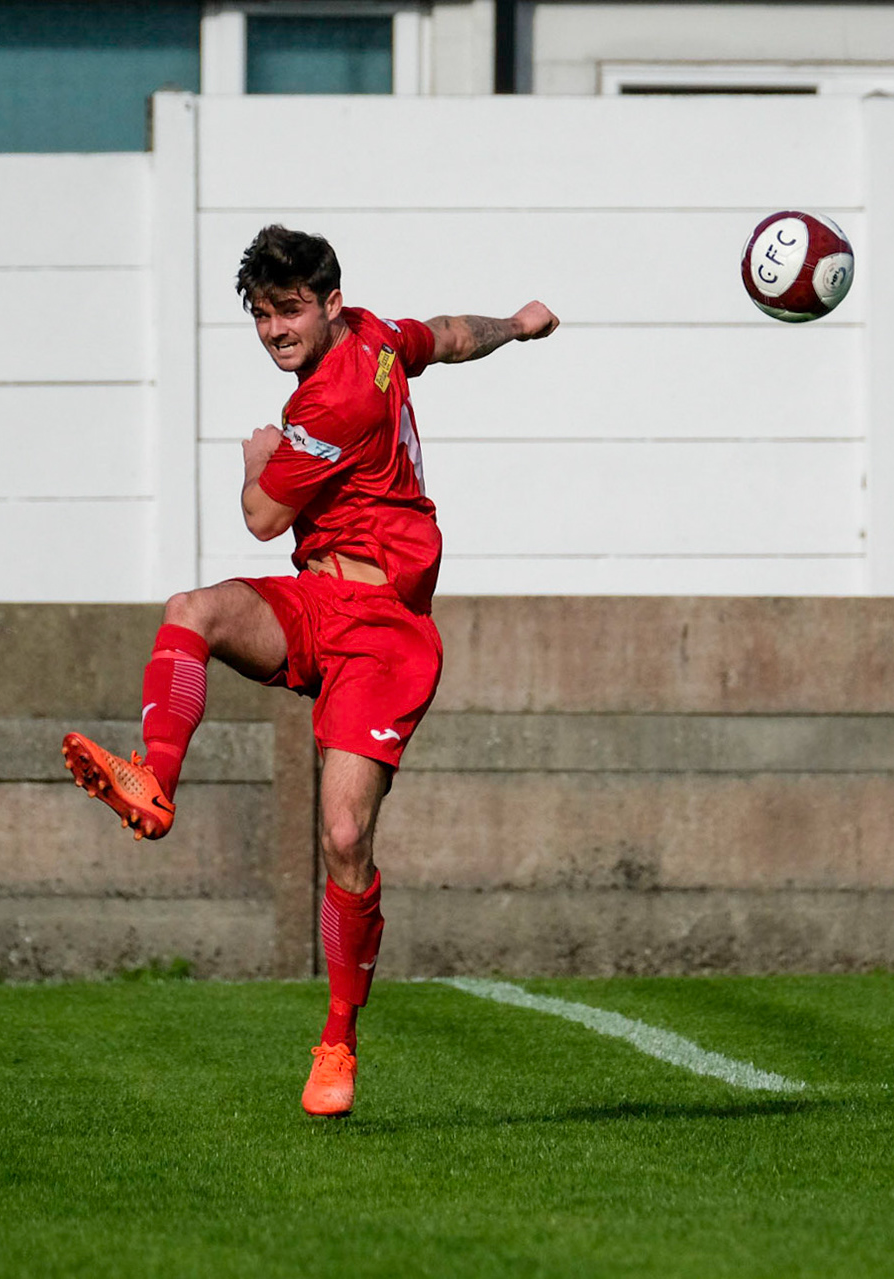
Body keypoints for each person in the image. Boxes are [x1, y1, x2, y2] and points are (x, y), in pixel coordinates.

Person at [64, 224, 558, 1116]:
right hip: (316, 602)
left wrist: (255, 463)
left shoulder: (333, 403)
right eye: (261, 315)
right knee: (193, 611)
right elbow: (445, 334)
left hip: (384, 633)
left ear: (329, 303)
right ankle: (156, 780)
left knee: (342, 838)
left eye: (288, 311)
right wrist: (516, 325)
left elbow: (259, 515)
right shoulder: (375, 338)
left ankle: (338, 1037)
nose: (275, 331)